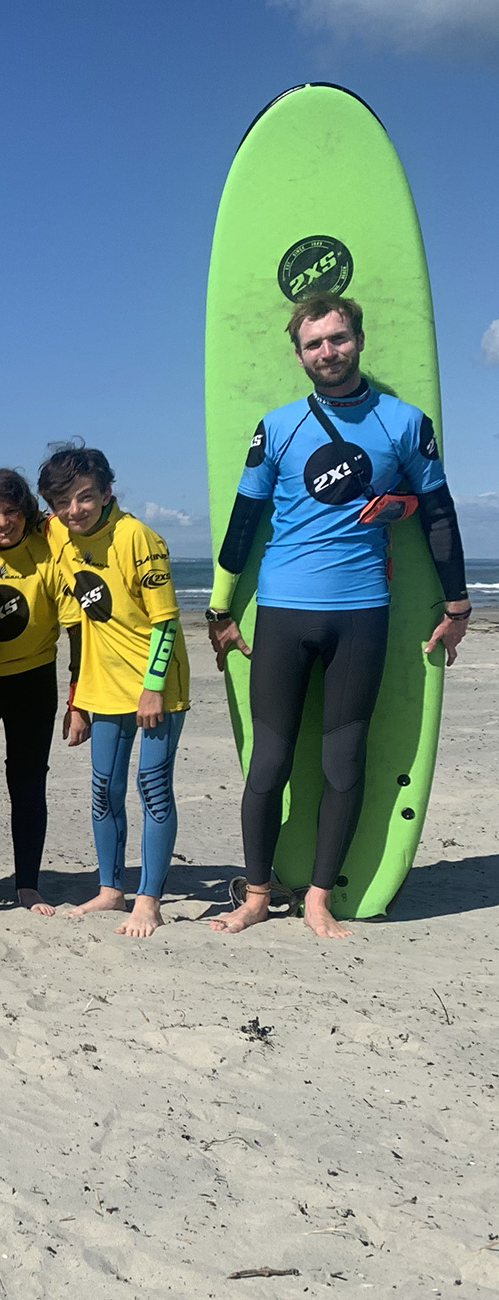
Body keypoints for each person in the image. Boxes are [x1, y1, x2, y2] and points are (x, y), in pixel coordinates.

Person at [207, 291, 471, 939]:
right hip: (282, 612)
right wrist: (219, 608)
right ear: (299, 355)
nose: (328, 351)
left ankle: (319, 897)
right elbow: (243, 523)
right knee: (269, 762)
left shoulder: (403, 423)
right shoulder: (277, 426)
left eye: (338, 338)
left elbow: (438, 515)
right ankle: (257, 893)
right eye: (314, 343)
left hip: (361, 613)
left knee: (344, 762)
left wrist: (458, 604)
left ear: (358, 339)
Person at [39, 443, 190, 939]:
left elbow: (166, 621)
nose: (74, 510)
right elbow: (8, 522)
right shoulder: (59, 532)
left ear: (107, 492)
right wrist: (77, 700)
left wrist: (153, 688)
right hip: (103, 687)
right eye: (63, 502)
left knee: (152, 788)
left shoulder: (138, 538)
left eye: (85, 497)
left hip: (154, 685)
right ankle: (110, 889)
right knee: (104, 789)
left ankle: (148, 900)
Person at [0, 468, 74, 916]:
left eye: (10, 511)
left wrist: (77, 695)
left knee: (27, 783)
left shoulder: (47, 546)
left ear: (26, 511)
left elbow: (75, 624)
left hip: (33, 680)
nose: (1, 522)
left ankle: (28, 885)